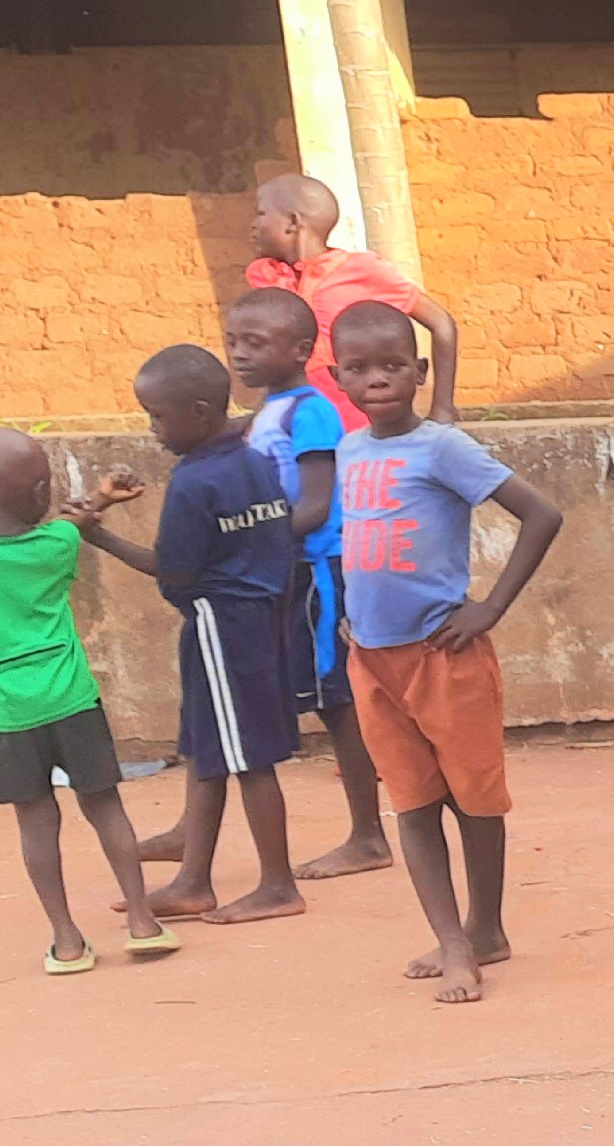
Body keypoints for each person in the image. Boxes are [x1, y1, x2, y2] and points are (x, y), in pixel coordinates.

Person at [324, 298, 565, 1004]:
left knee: (475, 800)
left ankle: (484, 927)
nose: (378, 380)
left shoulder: (442, 447)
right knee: (412, 802)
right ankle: (453, 940)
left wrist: (490, 606)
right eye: (361, 369)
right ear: (339, 377)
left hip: (444, 655)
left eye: (393, 365)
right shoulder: (350, 449)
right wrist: (351, 614)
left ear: (420, 371)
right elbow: (362, 543)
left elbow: (541, 514)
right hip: (373, 659)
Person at [0, 430, 179, 969]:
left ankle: (67, 940)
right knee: (105, 806)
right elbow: (72, 524)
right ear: (39, 491)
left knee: (36, 822)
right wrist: (100, 498)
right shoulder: (58, 545)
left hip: (7, 714)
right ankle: (142, 921)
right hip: (73, 699)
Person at [68, 344, 304, 924]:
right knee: (207, 750)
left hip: (220, 626)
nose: (152, 429)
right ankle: (193, 879)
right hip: (260, 616)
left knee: (248, 758)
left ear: (199, 412)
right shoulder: (253, 462)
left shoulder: (195, 483)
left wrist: (94, 534)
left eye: (158, 415)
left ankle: (278, 884)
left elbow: (170, 571)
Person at [222, 284, 397, 881]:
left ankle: (369, 835)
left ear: (299, 349)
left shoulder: (311, 410)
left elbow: (315, 506)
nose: (239, 354)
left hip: (318, 572)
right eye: (232, 342)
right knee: (324, 702)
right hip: (287, 570)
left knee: (337, 702)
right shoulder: (266, 413)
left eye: (255, 343)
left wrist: (248, 535)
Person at [246, 172, 460, 421]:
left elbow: (441, 323)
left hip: (355, 423)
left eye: (261, 214)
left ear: (292, 222)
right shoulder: (268, 277)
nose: (253, 224)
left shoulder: (362, 271)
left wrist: (443, 408)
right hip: (294, 420)